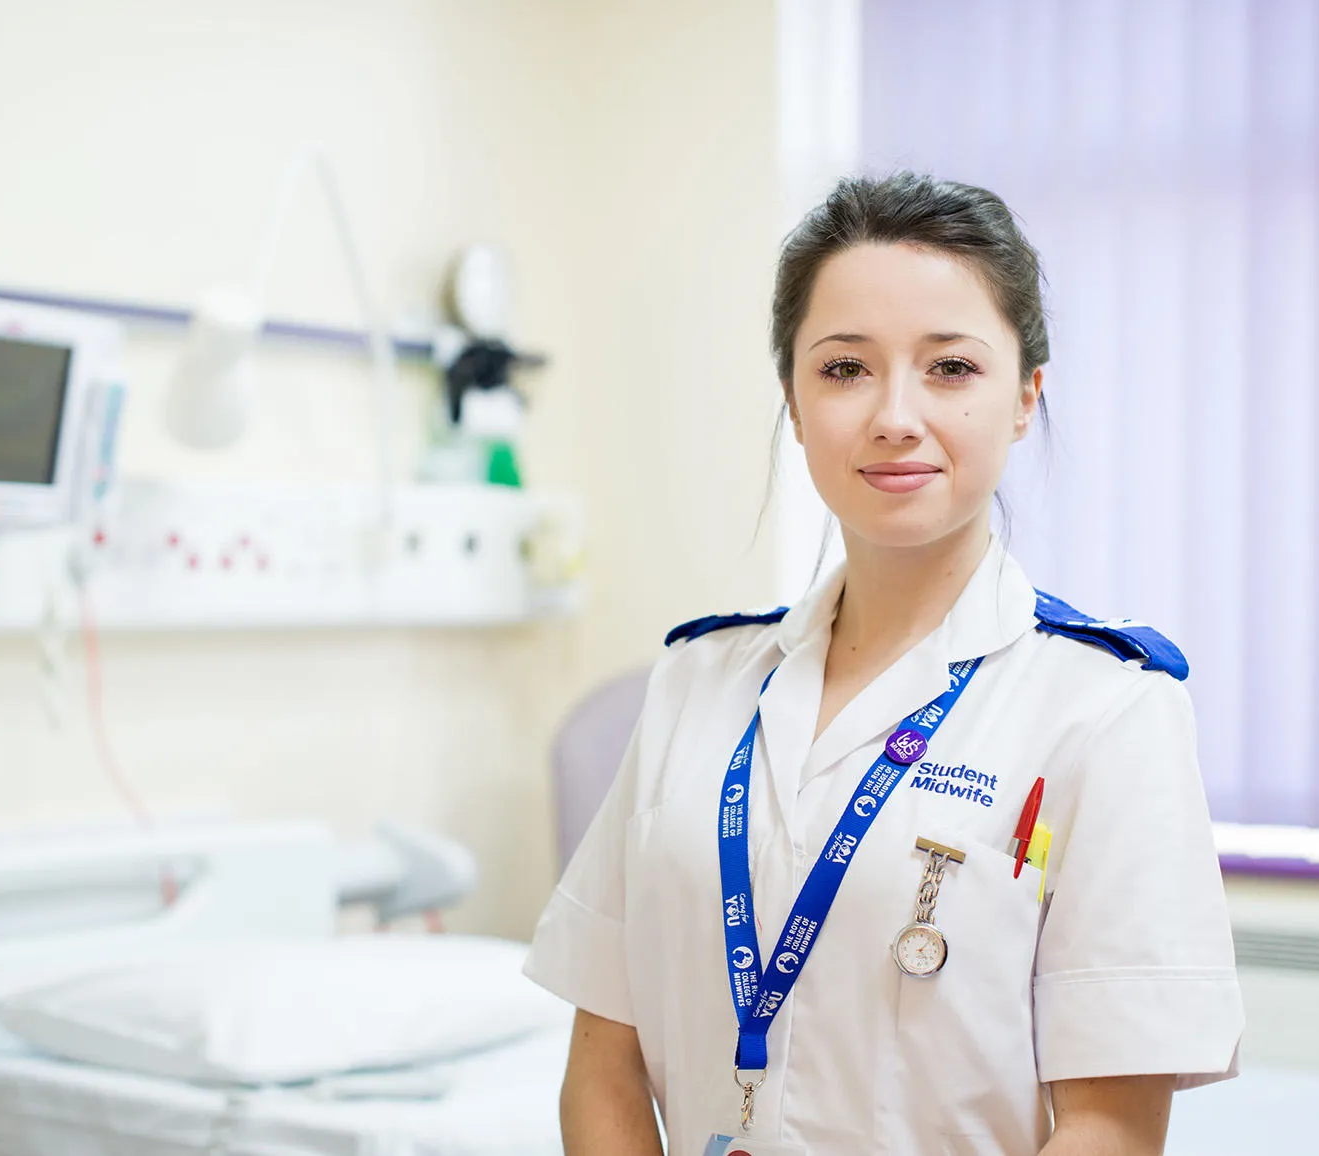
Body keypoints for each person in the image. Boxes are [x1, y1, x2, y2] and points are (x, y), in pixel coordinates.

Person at [523, 173, 1243, 1156]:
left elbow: (1109, 1129)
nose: (895, 414)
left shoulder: (1108, 710)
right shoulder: (695, 683)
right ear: (794, 397)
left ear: (1027, 396)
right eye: (844, 369)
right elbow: (602, 1061)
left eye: (950, 368)